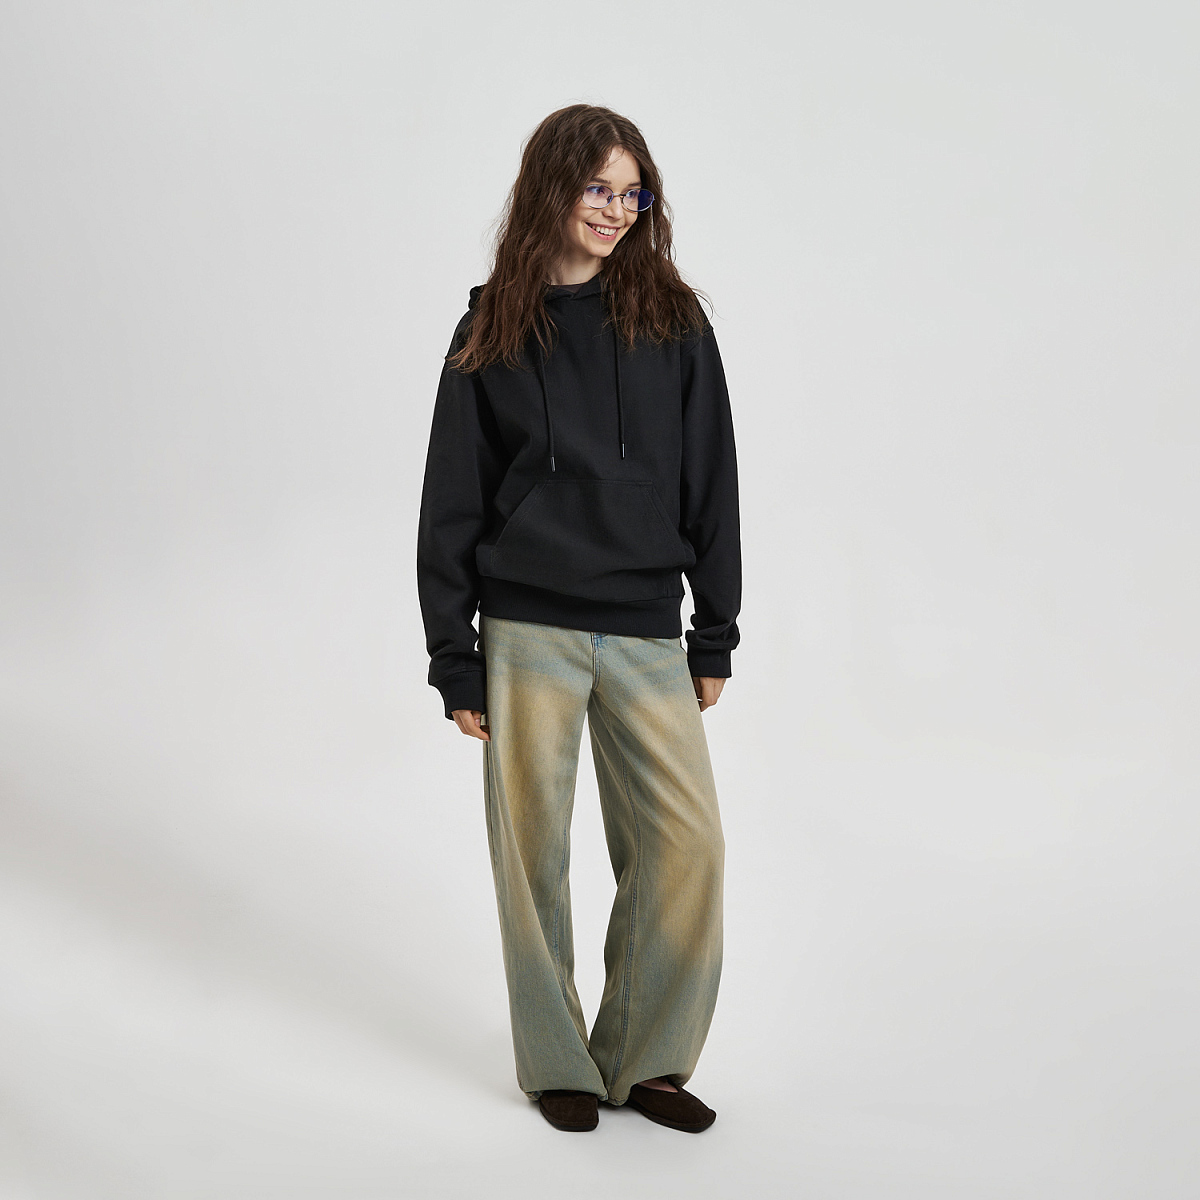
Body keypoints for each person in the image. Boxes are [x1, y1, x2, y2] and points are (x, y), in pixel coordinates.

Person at [416, 104, 741, 1134]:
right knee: (533, 859)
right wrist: (454, 656)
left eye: (632, 193)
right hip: (526, 629)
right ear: (552, 188)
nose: (614, 209)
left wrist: (715, 629)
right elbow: (452, 499)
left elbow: (713, 479)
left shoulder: (673, 322)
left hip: (645, 623)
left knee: (688, 846)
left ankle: (646, 1061)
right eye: (597, 187)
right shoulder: (493, 328)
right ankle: (558, 1061)